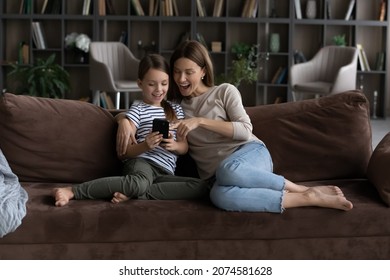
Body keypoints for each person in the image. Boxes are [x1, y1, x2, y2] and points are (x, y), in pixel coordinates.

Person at [117, 40, 353, 213]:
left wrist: (200, 121)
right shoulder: (174, 107)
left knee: (228, 170)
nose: (181, 79)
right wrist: (124, 120)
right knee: (219, 196)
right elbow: (143, 109)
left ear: (203, 71)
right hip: (218, 178)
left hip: (250, 155)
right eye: (177, 72)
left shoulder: (225, 91)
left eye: (189, 72)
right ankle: (307, 197)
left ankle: (297, 188)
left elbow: (244, 130)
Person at [53, 53, 209, 207]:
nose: (158, 89)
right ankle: (73, 191)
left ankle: (135, 192)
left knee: (202, 187)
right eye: (151, 84)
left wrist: (174, 146)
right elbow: (124, 153)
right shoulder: (138, 109)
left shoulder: (176, 110)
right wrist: (145, 145)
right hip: (142, 164)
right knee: (139, 182)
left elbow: (184, 147)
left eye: (164, 83)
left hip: (165, 172)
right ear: (140, 84)